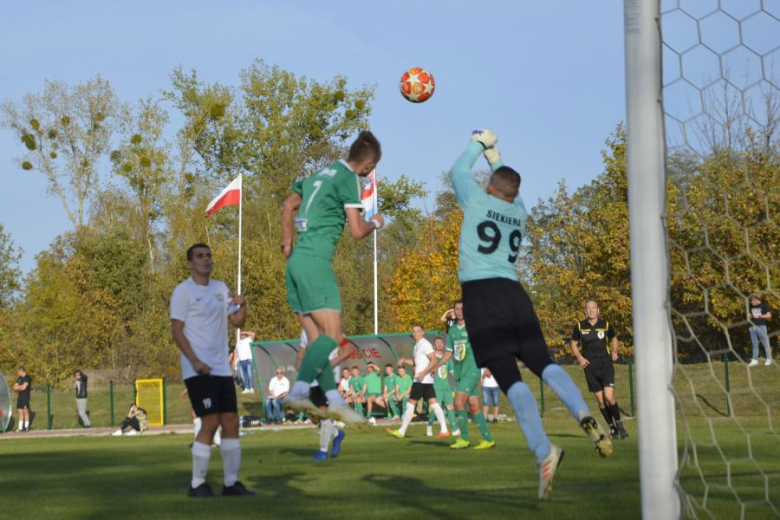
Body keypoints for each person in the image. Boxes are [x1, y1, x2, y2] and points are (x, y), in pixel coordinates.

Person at [451, 130, 611, 500]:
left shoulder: (476, 200)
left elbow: (458, 169)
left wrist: (479, 141)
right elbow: (508, 186)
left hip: (481, 294)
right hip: (515, 294)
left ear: (490, 187)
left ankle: (544, 451)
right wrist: (494, 155)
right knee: (543, 362)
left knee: (509, 377)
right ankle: (583, 413)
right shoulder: (519, 212)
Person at [281, 130, 384, 425]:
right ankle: (299, 391)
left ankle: (335, 399)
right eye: (371, 169)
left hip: (296, 262)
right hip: (315, 264)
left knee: (317, 343)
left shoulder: (316, 175)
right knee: (333, 336)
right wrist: (376, 222)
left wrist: (288, 244)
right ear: (368, 165)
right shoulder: (349, 178)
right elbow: (356, 231)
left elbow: (288, 205)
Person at [170, 242, 254, 498]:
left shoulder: (220, 289)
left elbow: (238, 321)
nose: (206, 260)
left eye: (208, 255)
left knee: (230, 422)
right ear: (190, 263)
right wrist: (194, 360)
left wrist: (243, 304)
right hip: (198, 370)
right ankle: (197, 484)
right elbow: (176, 330)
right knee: (210, 421)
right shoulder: (183, 291)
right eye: (200, 256)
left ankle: (231, 484)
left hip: (222, 370)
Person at [441, 301, 496, 450]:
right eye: (457, 309)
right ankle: (489, 440)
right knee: (473, 406)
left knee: (458, 401)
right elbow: (449, 352)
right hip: (460, 372)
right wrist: (436, 365)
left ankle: (464, 438)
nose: (459, 311)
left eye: (462, 309)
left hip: (472, 370)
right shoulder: (452, 330)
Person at [571, 299, 628, 440]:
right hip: (590, 367)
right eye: (588, 308)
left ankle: (620, 426)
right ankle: (612, 428)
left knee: (609, 397)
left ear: (598, 310)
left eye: (593, 307)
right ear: (585, 311)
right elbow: (573, 343)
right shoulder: (579, 326)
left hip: (605, 364)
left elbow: (614, 339)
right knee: (601, 401)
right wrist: (580, 358)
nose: (591, 310)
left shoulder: (606, 325)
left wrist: (614, 351)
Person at [296, 329, 354, 461]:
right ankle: (337, 433)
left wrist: (334, 361)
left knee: (323, 411)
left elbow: (349, 349)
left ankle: (322, 452)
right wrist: (299, 361)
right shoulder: (306, 330)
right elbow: (302, 349)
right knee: (314, 417)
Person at [387, 324, 450, 439]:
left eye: (418, 331)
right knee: (435, 405)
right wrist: (404, 360)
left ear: (423, 332)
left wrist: (423, 373)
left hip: (421, 380)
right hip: (425, 381)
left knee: (410, 404)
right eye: (414, 331)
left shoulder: (425, 344)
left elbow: (434, 359)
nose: (416, 333)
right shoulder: (416, 346)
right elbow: (416, 363)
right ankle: (444, 430)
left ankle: (401, 431)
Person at [426, 337, 459, 438]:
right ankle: (429, 426)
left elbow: (453, 373)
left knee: (450, 408)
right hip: (435, 388)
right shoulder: (432, 359)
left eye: (441, 342)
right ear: (434, 345)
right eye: (437, 343)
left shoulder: (447, 359)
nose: (440, 344)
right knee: (434, 408)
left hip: (446, 387)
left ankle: (454, 430)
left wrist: (460, 380)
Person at [747, 295, 773, 367]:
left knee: (765, 343)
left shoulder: (763, 305)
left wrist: (760, 316)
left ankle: (769, 359)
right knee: (754, 344)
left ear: (755, 300)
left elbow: (769, 315)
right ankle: (754, 360)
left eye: (752, 301)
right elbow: (748, 315)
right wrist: (751, 316)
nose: (751, 303)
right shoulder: (750, 306)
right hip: (752, 327)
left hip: (761, 326)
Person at [13, 367, 31, 432]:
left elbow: (24, 387)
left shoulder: (27, 378)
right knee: (20, 412)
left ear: (21, 371)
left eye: (18, 372)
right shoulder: (19, 378)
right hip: (20, 397)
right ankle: (20, 427)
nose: (18, 373)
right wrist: (19, 387)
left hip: (25, 397)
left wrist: (19, 387)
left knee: (25, 411)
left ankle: (26, 427)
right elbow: (14, 387)